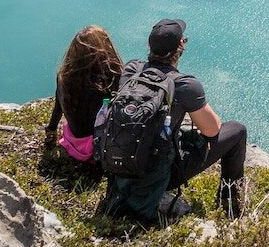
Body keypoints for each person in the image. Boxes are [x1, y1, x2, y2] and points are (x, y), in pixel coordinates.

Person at [106, 19, 247, 222]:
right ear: (180, 45)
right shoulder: (184, 84)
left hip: (120, 165)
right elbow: (212, 130)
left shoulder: (131, 70)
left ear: (150, 46)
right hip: (158, 174)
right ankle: (229, 204)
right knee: (237, 130)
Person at [44, 25, 123, 163]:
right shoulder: (110, 77)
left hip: (74, 142)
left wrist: (51, 130)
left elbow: (58, 105)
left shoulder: (64, 75)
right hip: (97, 147)